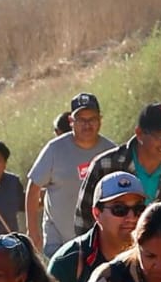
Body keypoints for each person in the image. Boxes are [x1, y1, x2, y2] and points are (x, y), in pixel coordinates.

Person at [76, 103, 161, 250]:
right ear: (139, 134)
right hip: (113, 259)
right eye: (160, 136)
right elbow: (84, 220)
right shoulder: (105, 165)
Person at [26, 92, 115, 256]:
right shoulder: (54, 149)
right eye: (81, 120)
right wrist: (32, 231)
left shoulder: (110, 151)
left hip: (98, 242)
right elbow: (33, 187)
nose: (87, 125)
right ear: (71, 121)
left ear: (100, 120)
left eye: (92, 119)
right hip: (58, 241)